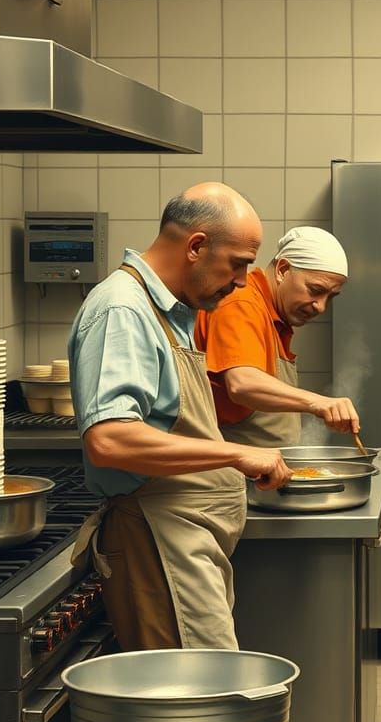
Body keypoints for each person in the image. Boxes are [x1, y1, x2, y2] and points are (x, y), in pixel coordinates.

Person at [69, 183, 291, 657]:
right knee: (198, 706)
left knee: (203, 699)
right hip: (157, 540)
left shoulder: (170, 311)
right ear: (195, 246)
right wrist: (236, 452)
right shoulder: (123, 311)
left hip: (185, 541)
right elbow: (110, 440)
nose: (239, 282)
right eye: (237, 263)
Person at [194, 226, 360, 448]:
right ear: (282, 269)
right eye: (315, 290)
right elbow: (242, 384)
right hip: (229, 474)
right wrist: (318, 403)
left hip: (261, 475)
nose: (321, 306)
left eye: (330, 297)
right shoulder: (241, 302)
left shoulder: (274, 316)